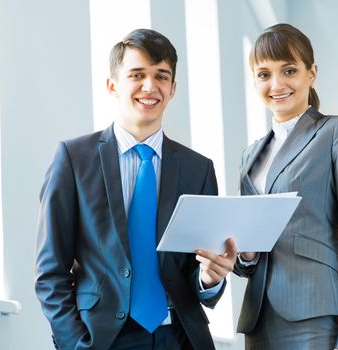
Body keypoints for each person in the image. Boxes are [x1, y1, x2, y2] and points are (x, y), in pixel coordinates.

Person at [34, 28, 237, 350]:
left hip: (180, 336)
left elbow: (194, 269)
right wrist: (74, 343)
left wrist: (210, 279)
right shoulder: (74, 159)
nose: (149, 86)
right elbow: (50, 271)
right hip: (104, 339)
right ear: (113, 85)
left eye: (161, 76)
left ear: (173, 88)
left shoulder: (198, 168)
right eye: (137, 75)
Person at [234, 23, 338, 350]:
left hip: (315, 312)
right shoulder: (250, 156)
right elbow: (249, 251)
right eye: (264, 74)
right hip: (258, 320)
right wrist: (244, 256)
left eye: (289, 70)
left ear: (311, 73)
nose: (276, 84)